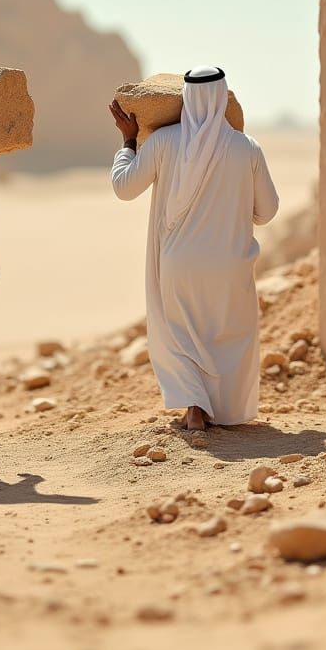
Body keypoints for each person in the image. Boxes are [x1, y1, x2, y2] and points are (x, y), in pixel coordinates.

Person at [108, 66, 279, 432]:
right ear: (222, 96)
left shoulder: (163, 142)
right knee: (228, 335)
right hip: (231, 264)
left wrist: (128, 141)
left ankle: (193, 408)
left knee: (178, 335)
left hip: (178, 263)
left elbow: (124, 187)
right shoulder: (246, 147)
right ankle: (226, 411)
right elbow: (267, 212)